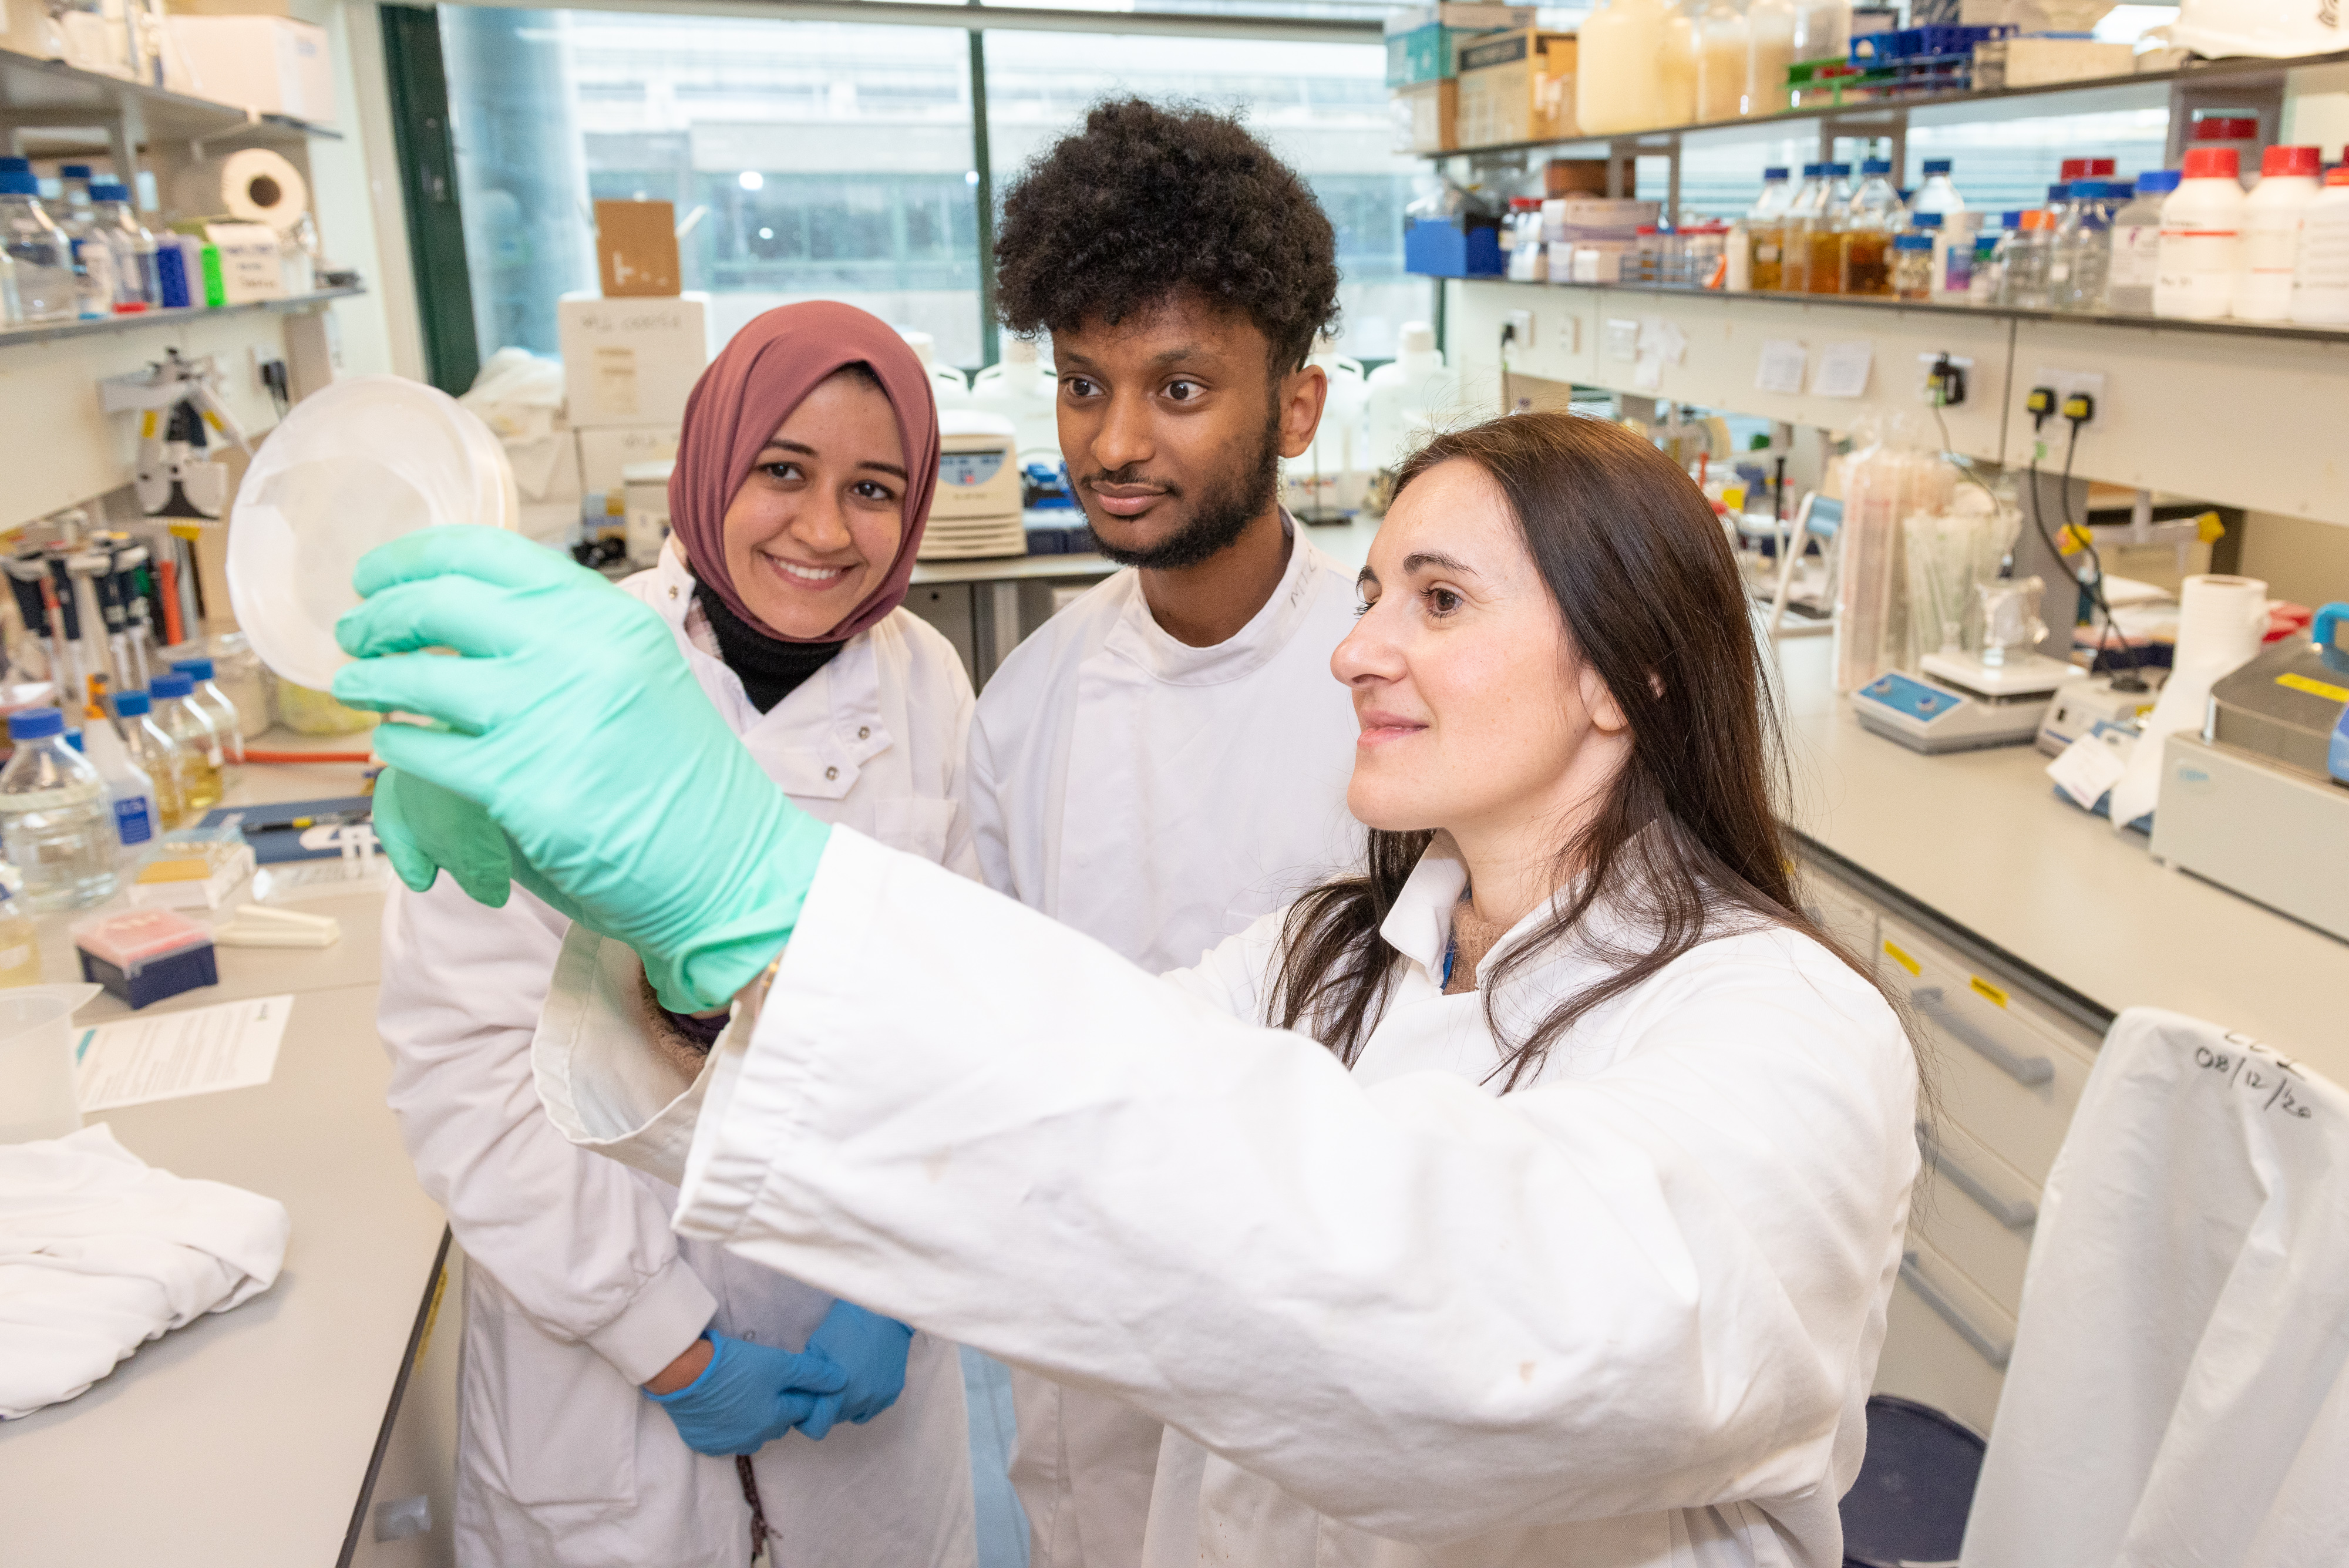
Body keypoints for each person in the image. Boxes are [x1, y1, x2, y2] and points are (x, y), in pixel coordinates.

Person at [338, 409, 1921, 1567]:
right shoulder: (1323, 958)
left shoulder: (1783, 1025)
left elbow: (1505, 1322)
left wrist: (781, 904)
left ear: (1629, 672)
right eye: (1371, 590)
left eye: (1436, 600)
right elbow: (1068, 1121)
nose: (1357, 647)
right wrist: (701, 965)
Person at [372, 303, 979, 1567]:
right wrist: (666, 1340)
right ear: (709, 464)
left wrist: (892, 1290)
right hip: (602, 1370)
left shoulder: (928, 683)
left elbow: (963, 1023)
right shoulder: (554, 688)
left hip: (852, 1346)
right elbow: (468, 1068)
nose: (823, 530)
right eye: (781, 471)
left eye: (873, 488)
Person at [971, 99, 1365, 1564]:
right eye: (1083, 384)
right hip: (1097, 1329)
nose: (1114, 442)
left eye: (1179, 387)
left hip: (1329, 1325)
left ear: (1297, 409)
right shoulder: (1028, 704)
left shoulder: (1393, 681)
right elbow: (993, 1041)